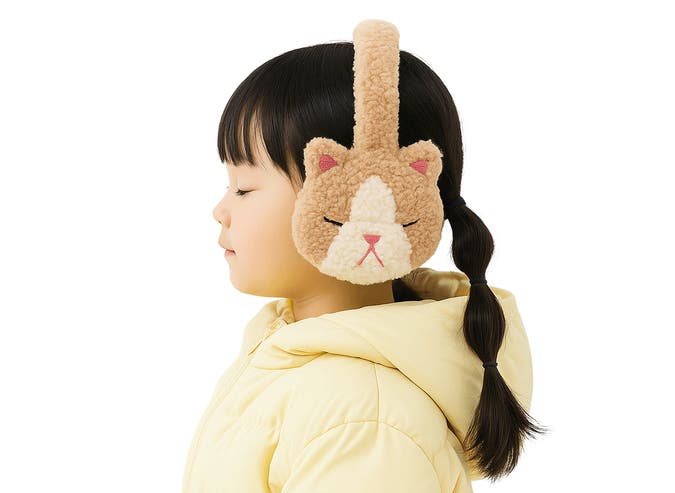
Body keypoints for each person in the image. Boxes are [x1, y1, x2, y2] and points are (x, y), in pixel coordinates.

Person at [182, 25, 544, 493]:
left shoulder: (364, 420)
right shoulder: (287, 353)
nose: (220, 209)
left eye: (244, 188)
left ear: (367, 201)